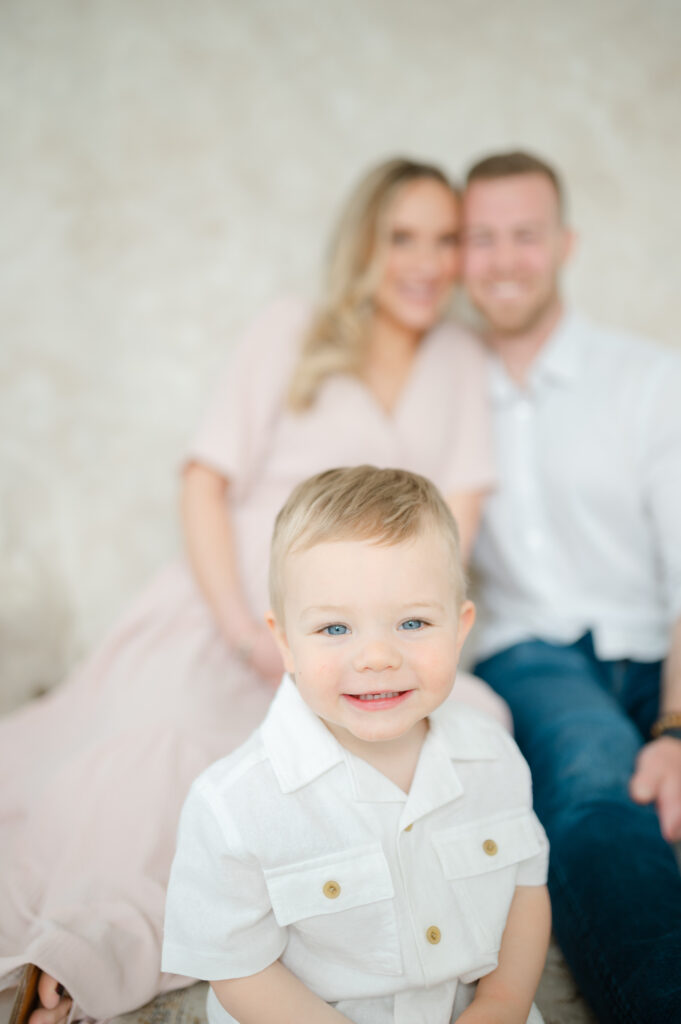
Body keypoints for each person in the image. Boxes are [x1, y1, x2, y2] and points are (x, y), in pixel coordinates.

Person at [0, 157, 507, 1024]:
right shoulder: (292, 329)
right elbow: (205, 482)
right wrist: (242, 627)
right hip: (224, 609)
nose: (426, 262)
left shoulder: (460, 358)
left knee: (469, 729)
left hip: (357, 632)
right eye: (402, 237)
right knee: (167, 749)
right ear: (364, 245)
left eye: (446, 240)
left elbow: (450, 530)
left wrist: (368, 647)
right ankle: (79, 951)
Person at [162, 465, 551, 1024]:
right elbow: (237, 968)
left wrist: (503, 1002)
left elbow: (524, 887)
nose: (376, 657)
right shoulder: (234, 805)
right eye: (335, 629)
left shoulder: (493, 755)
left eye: (413, 623)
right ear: (285, 642)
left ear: (460, 627)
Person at [462, 149, 681, 1024]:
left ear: (564, 243)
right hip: (529, 652)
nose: (505, 258)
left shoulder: (648, 378)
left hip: (655, 651)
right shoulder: (441, 387)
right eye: (482, 238)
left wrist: (673, 726)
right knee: (593, 787)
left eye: (525, 234)